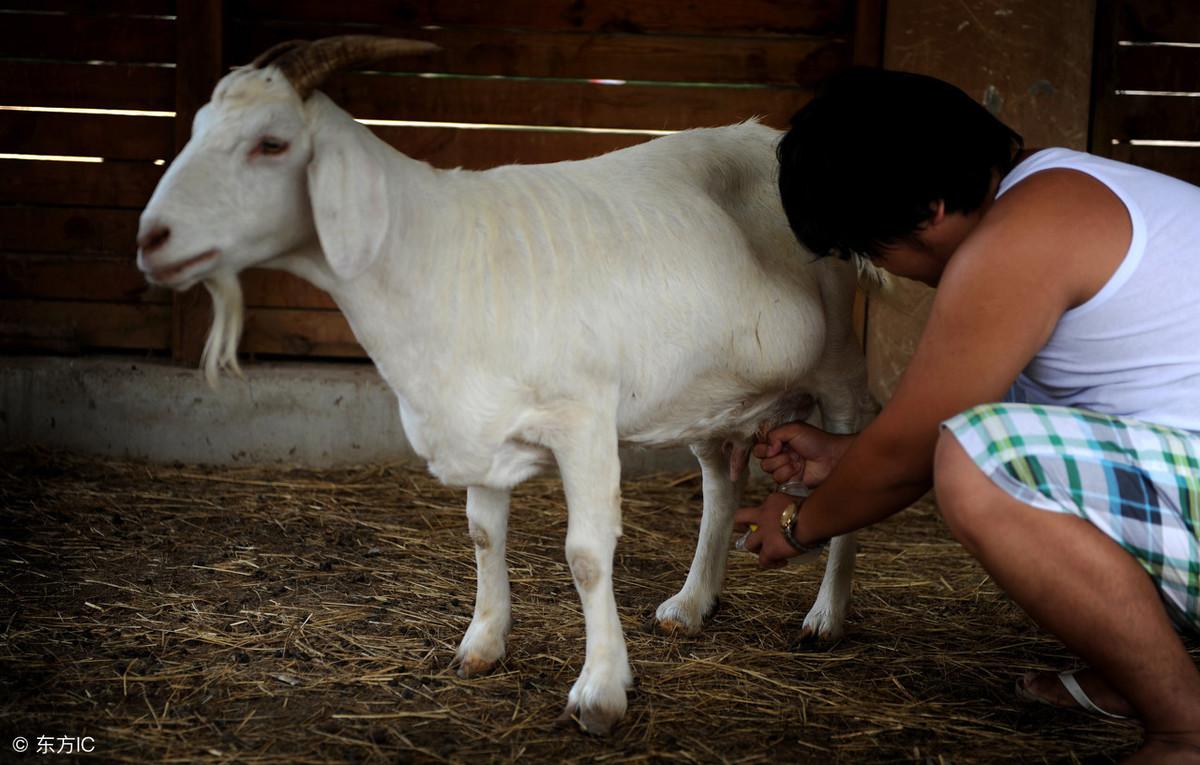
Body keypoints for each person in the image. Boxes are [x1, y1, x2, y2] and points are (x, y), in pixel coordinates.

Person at [734, 67, 1200, 763]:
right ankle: (1143, 677)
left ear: (929, 208)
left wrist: (802, 523)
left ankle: (1184, 730)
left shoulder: (1021, 236)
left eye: (869, 244)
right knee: (987, 436)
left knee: (978, 460)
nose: (877, 265)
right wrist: (847, 454)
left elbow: (919, 449)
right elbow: (937, 424)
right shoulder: (1061, 192)